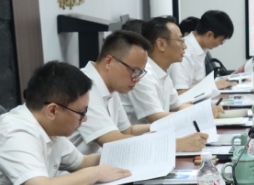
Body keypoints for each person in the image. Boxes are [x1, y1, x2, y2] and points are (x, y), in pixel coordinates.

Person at [0, 62, 131, 185]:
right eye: (81, 112)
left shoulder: (47, 127)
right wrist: (96, 173)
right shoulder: (16, 134)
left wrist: (122, 154)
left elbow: (82, 162)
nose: (85, 119)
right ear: (53, 111)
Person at [70, 30, 209, 154]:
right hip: (74, 172)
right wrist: (176, 144)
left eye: (140, 73)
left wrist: (171, 126)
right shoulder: (84, 87)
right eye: (134, 71)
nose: (136, 79)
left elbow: (128, 130)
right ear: (109, 62)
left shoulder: (111, 87)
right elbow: (114, 141)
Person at [121, 16, 222, 127]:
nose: (185, 46)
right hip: (141, 136)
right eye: (180, 41)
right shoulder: (143, 74)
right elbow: (156, 117)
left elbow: (178, 106)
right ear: (161, 44)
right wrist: (200, 114)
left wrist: (207, 108)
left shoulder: (163, 71)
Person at [169, 10, 234, 93]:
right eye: (221, 40)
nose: (221, 44)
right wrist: (213, 86)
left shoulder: (201, 48)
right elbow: (180, 92)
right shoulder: (184, 52)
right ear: (209, 34)